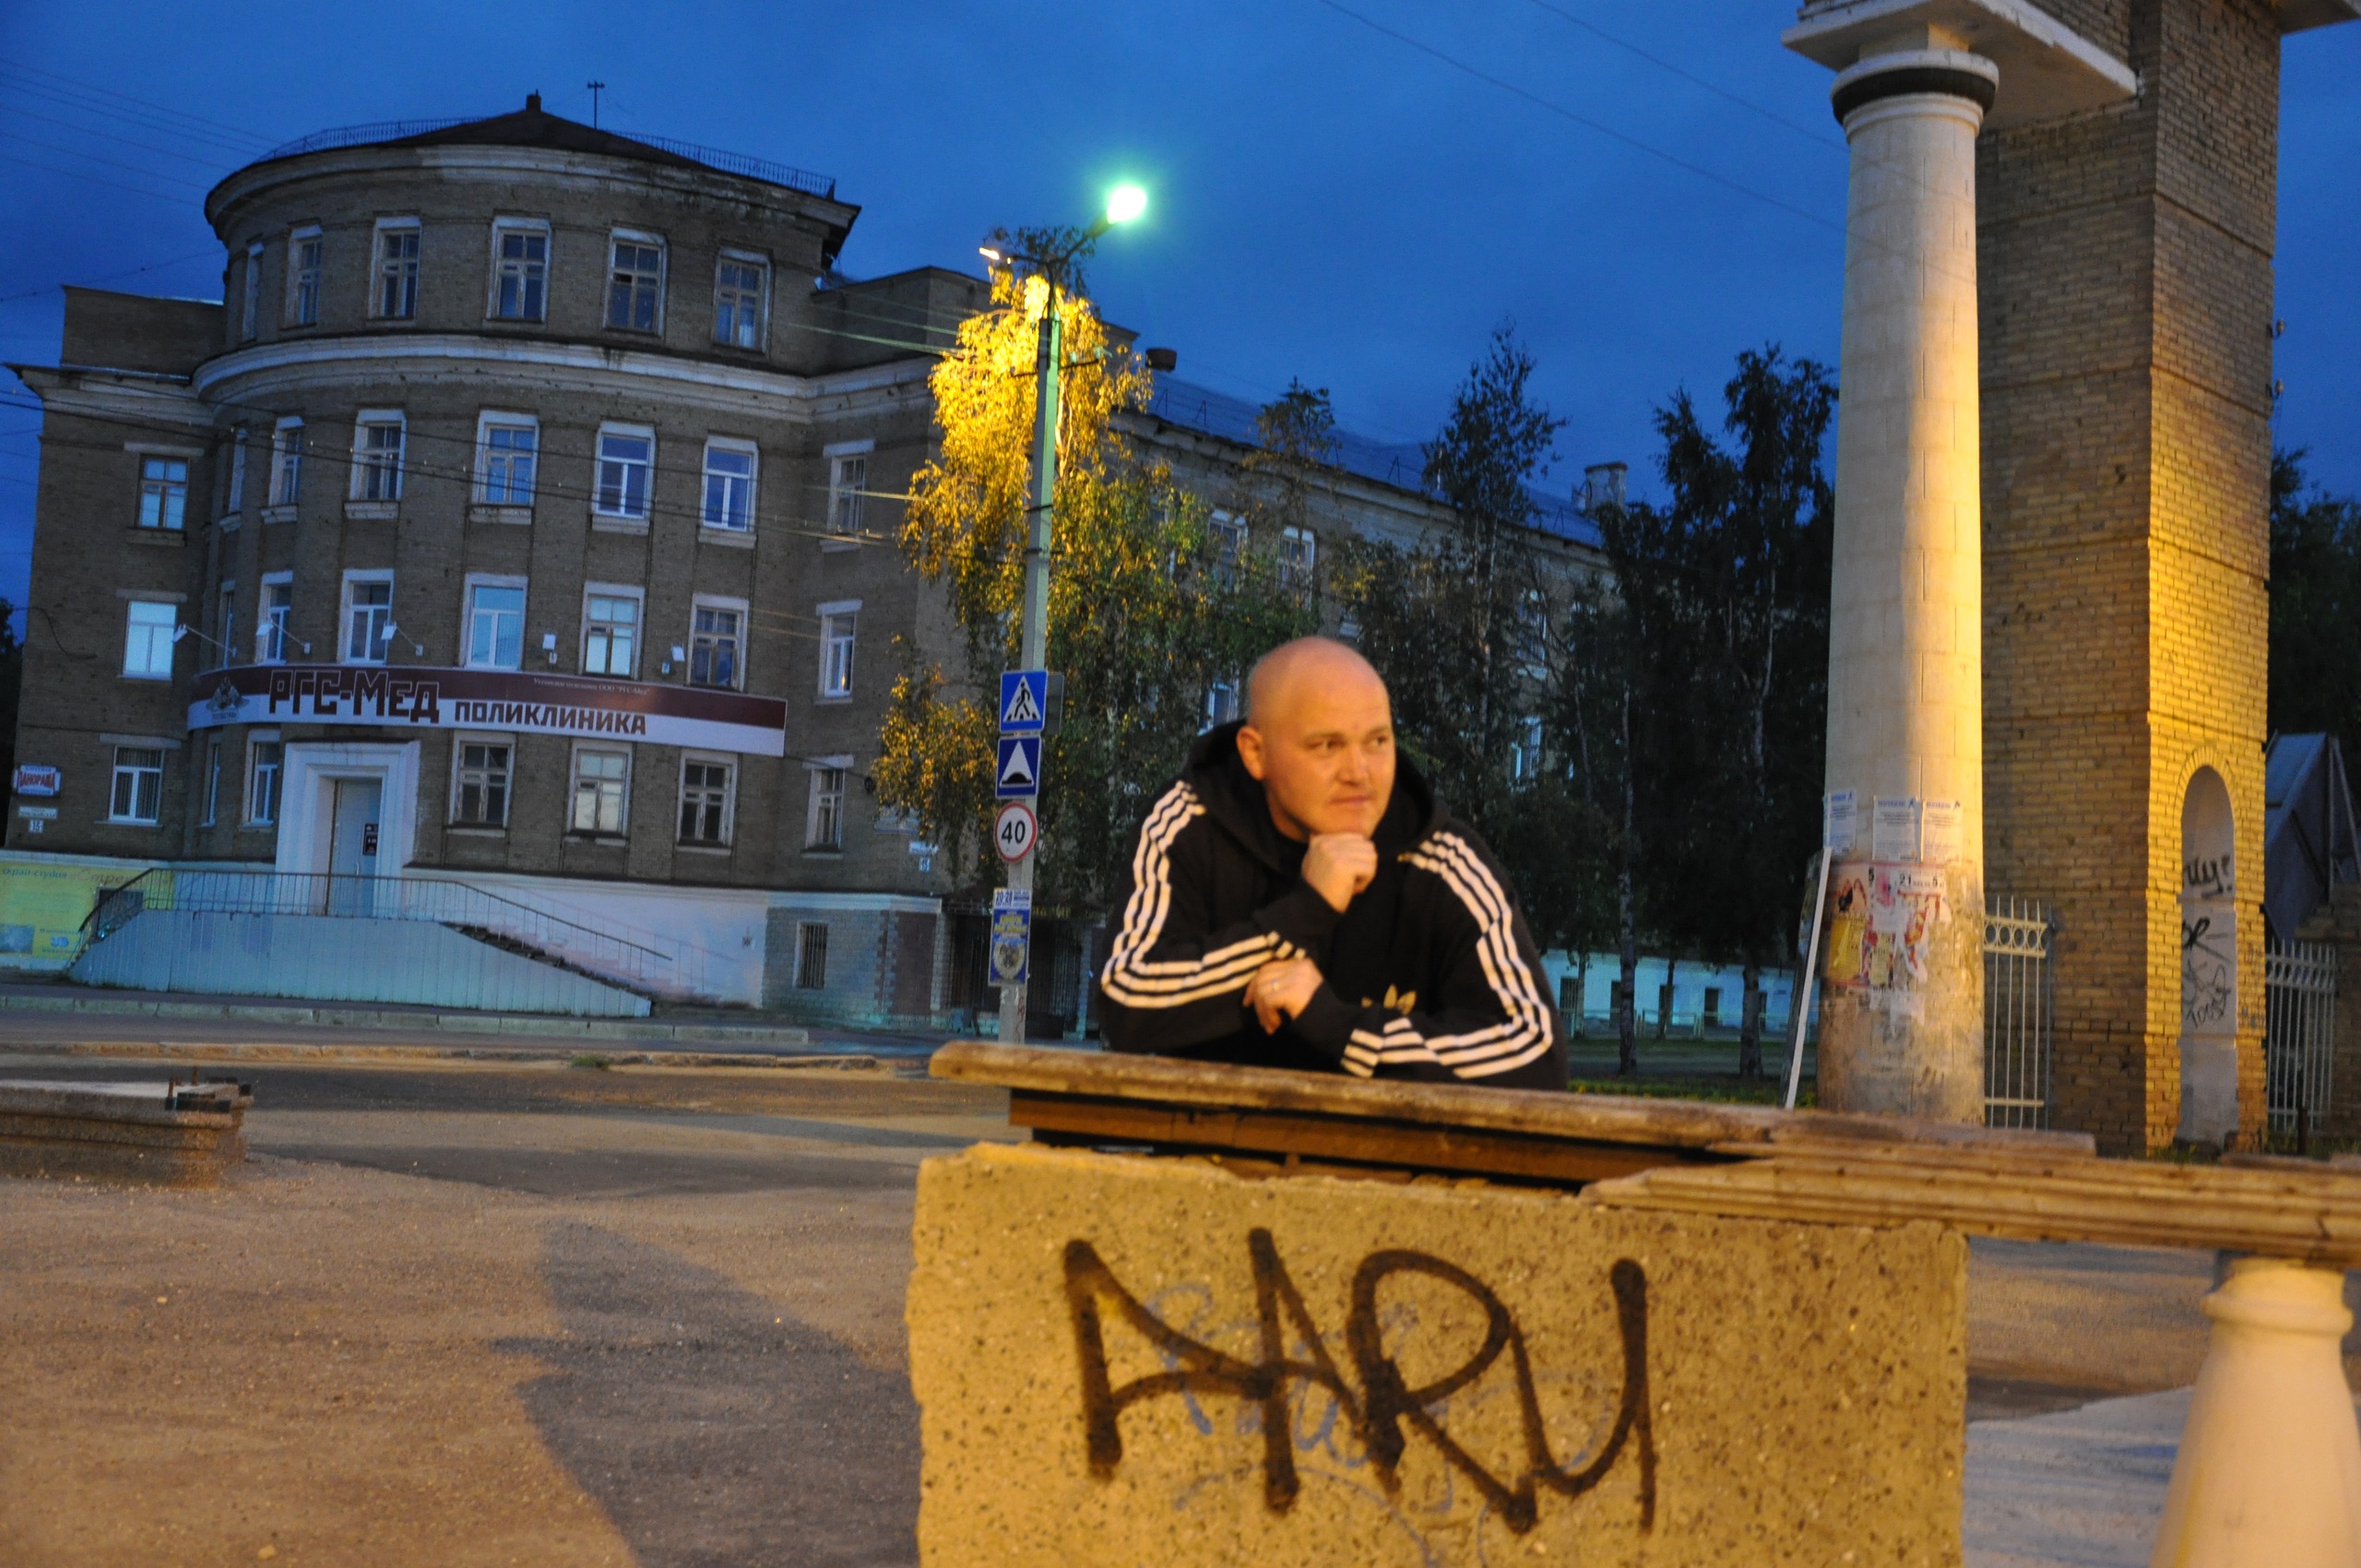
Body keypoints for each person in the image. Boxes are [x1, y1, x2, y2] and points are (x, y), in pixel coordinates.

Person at [1098, 636, 1563, 1088]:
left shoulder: (1442, 858)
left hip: (1381, 1144)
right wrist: (1307, 912)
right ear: (1255, 753)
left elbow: (1535, 1051)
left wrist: (1335, 1023)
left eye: (1377, 741)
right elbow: (1125, 1000)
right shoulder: (1189, 823)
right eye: (1327, 746)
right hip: (1207, 1138)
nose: (1358, 772)